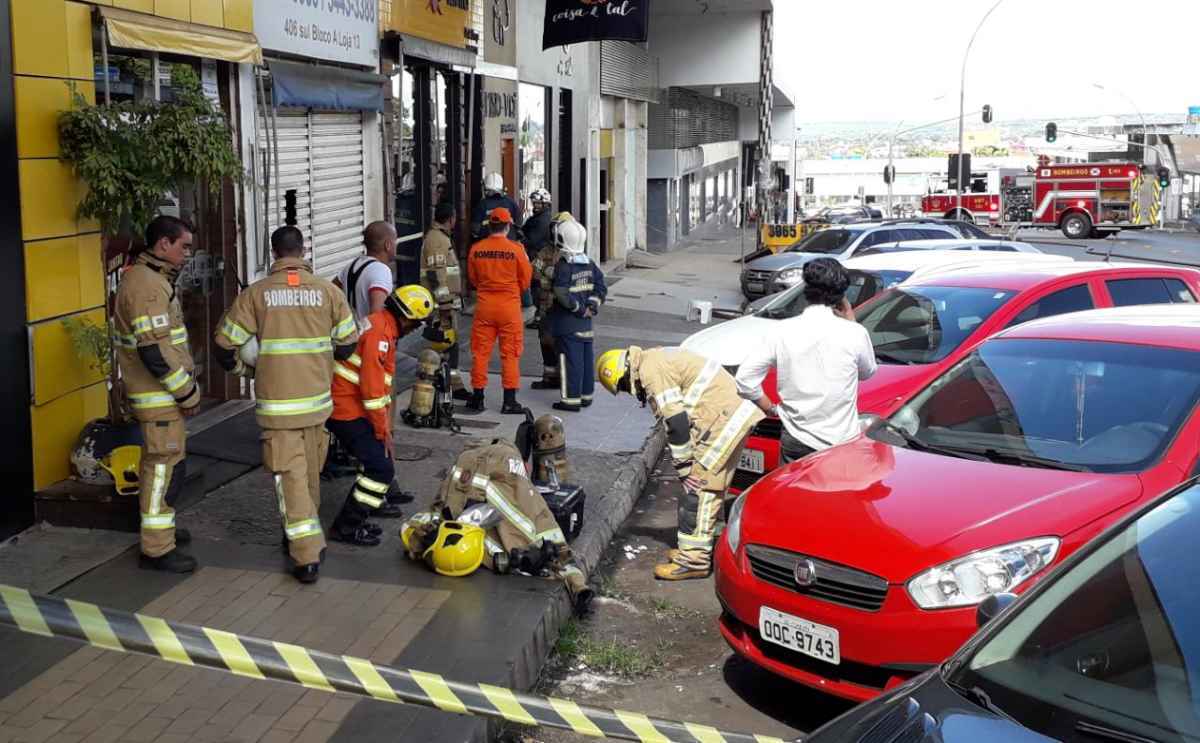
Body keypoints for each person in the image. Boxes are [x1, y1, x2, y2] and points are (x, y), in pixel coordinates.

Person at [214, 226, 359, 584]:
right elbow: (347, 344)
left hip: (279, 410)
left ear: (274, 253)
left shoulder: (257, 295)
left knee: (292, 481)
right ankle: (305, 538)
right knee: (308, 477)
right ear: (303, 250)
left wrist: (246, 368)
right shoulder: (328, 292)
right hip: (318, 406)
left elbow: (223, 345)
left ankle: (305, 555)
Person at [596, 346, 764, 581]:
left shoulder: (650, 372)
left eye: (623, 386)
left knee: (699, 488)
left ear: (625, 373)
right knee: (713, 488)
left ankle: (693, 560)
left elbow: (676, 423)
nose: (630, 392)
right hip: (730, 414)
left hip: (721, 419)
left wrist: (684, 468)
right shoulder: (653, 360)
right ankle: (706, 546)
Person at [400, 437, 592, 615]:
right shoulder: (457, 534)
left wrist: (578, 585)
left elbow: (555, 543)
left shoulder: (510, 506)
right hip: (477, 457)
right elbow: (409, 527)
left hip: (499, 457)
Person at [113, 216, 201, 573]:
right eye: (184, 246)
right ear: (163, 244)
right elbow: (154, 353)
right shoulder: (148, 286)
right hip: (159, 398)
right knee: (163, 471)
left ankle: (162, 531)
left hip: (161, 398)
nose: (188, 253)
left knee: (166, 467)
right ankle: (157, 549)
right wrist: (188, 393)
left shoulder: (151, 279)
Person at [735, 257, 877, 464]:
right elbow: (868, 372)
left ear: (806, 290)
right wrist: (852, 321)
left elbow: (745, 381)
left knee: (793, 494)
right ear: (841, 296)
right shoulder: (854, 333)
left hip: (796, 435)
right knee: (833, 494)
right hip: (840, 440)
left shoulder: (782, 330)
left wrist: (770, 408)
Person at [327, 285, 435, 546]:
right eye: (417, 323)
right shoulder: (381, 335)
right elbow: (372, 389)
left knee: (375, 463)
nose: (416, 329)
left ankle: (363, 514)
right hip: (346, 410)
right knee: (380, 469)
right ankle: (347, 526)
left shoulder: (379, 325)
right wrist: (382, 430)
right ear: (407, 317)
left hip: (346, 405)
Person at [466, 207, 533, 414]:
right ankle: (509, 401)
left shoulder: (476, 249)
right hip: (509, 308)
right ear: (508, 226)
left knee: (480, 353)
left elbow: (473, 279)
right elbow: (525, 280)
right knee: (510, 354)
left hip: (484, 307)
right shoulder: (516, 250)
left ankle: (478, 397)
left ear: (489, 225)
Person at [548, 219, 606, 412]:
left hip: (567, 325)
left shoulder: (564, 266)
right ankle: (586, 396)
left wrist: (579, 309)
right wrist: (591, 306)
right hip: (586, 326)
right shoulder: (589, 263)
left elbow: (560, 292)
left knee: (569, 363)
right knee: (585, 362)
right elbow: (601, 288)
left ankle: (570, 401)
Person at [419, 202, 469, 400]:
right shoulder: (437, 240)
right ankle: (448, 386)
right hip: (442, 305)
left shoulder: (439, 238)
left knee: (447, 345)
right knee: (444, 345)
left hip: (445, 303)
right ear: (451, 219)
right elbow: (435, 274)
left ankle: (449, 384)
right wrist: (444, 303)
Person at [529, 212, 574, 391]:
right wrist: (549, 278)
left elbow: (570, 279)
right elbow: (535, 270)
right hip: (545, 306)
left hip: (563, 307)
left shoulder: (573, 253)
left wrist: (550, 276)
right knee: (545, 340)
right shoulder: (546, 250)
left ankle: (567, 381)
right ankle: (550, 377)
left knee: (563, 344)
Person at [335, 221, 397, 327]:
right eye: (395, 241)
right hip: (368, 339)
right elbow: (377, 314)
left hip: (351, 336)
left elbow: (331, 291)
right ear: (388, 245)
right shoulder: (381, 271)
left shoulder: (352, 265)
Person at [471, 172, 522, 241]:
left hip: (487, 246)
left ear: (486, 189)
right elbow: (519, 224)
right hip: (509, 245)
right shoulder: (511, 203)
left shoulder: (482, 205)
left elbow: (475, 229)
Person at [521, 188, 553, 262]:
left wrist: (519, 239)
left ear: (545, 204)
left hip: (537, 256)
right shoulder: (537, 217)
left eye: (538, 203)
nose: (535, 206)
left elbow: (532, 241)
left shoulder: (543, 220)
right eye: (534, 203)